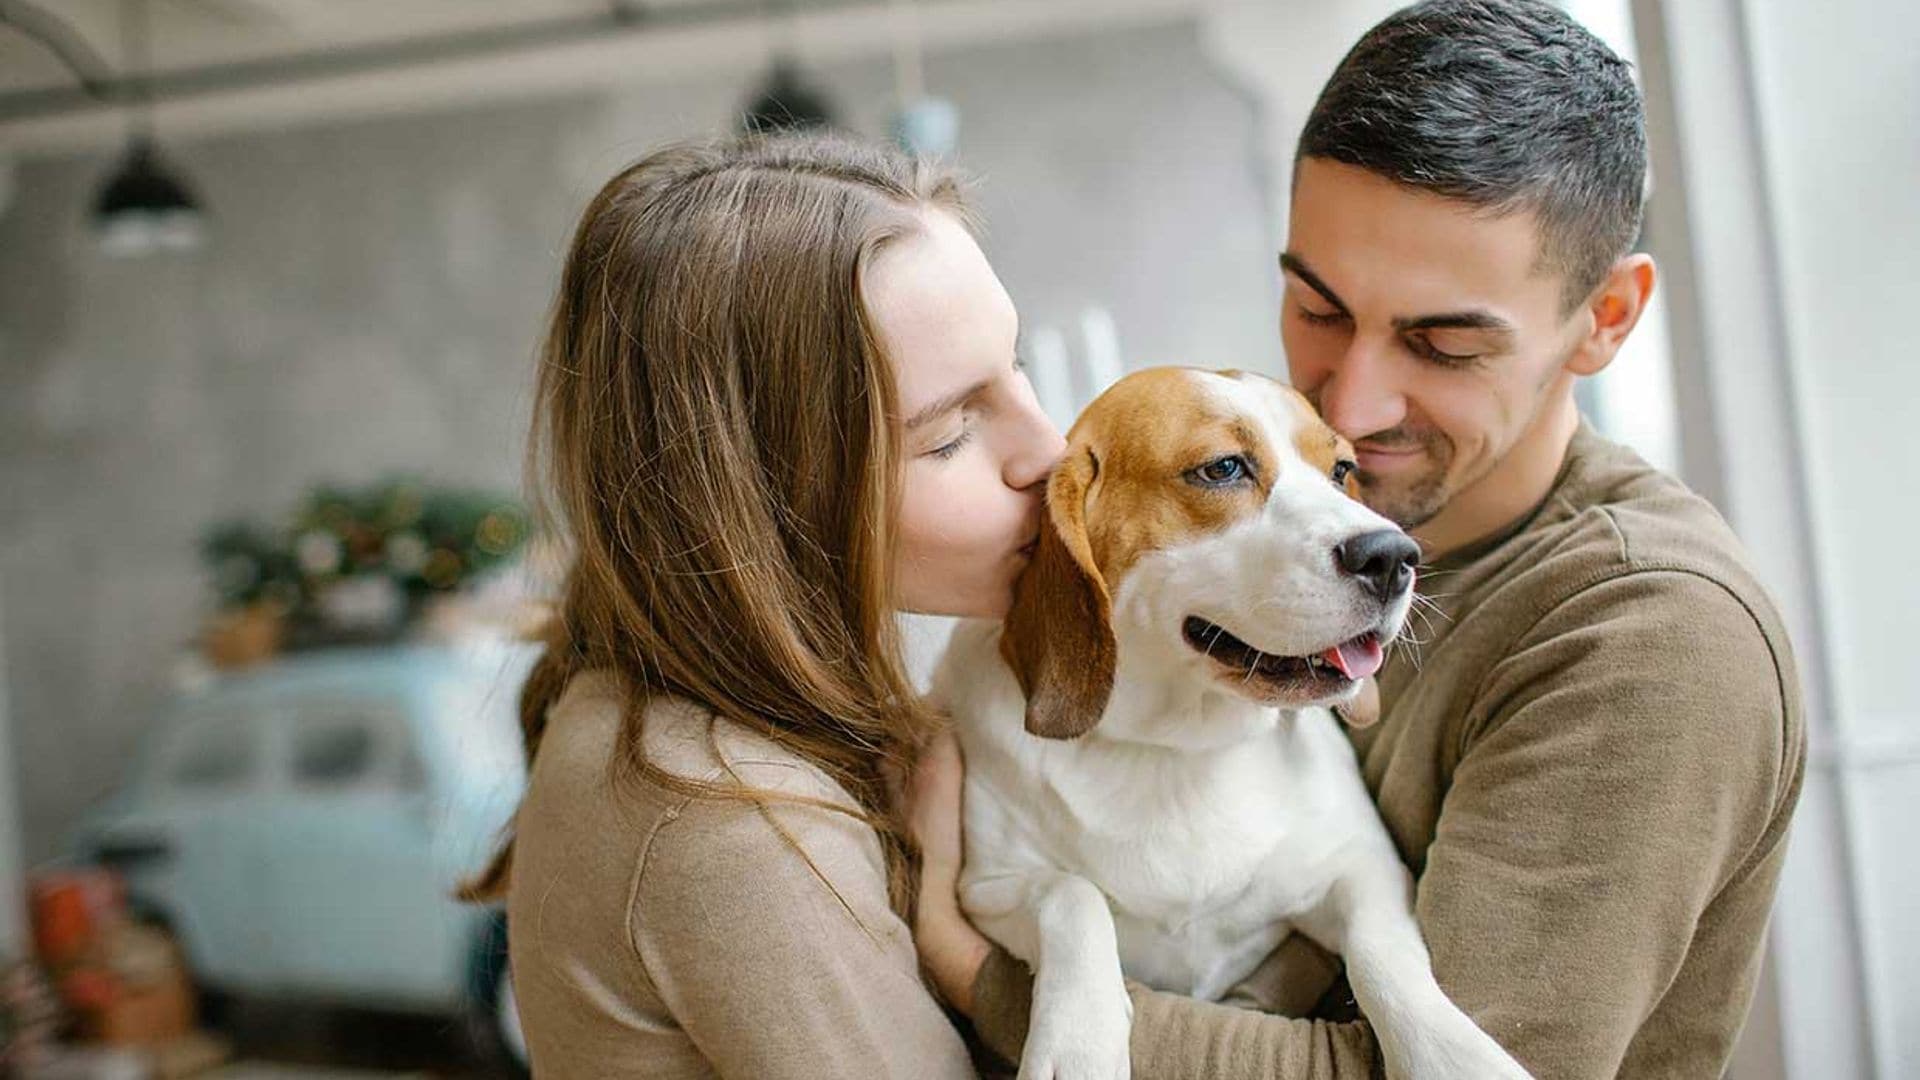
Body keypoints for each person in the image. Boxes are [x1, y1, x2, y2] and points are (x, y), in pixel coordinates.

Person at [909, 2, 1807, 1077]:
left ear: (1605, 317)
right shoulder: (1294, 528)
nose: (1357, 404)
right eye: (1318, 309)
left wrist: (973, 973)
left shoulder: (1653, 636)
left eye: (1442, 342)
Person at [461, 133, 1064, 1077]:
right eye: (950, 434)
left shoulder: (687, 711)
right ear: (765, 495)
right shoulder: (718, 811)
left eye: (1016, 367)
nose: (1051, 449)